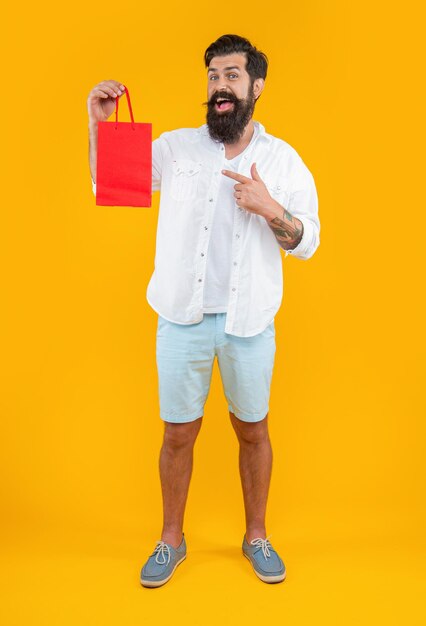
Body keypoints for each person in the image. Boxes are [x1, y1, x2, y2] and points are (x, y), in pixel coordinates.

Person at [87, 34, 320, 587]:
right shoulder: (175, 149)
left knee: (254, 430)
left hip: (249, 325)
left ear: (256, 86)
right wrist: (97, 124)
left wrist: (271, 208)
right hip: (181, 321)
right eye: (214, 76)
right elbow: (111, 183)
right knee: (176, 435)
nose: (220, 87)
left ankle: (256, 535)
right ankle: (172, 540)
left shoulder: (282, 160)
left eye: (232, 76)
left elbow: (307, 241)